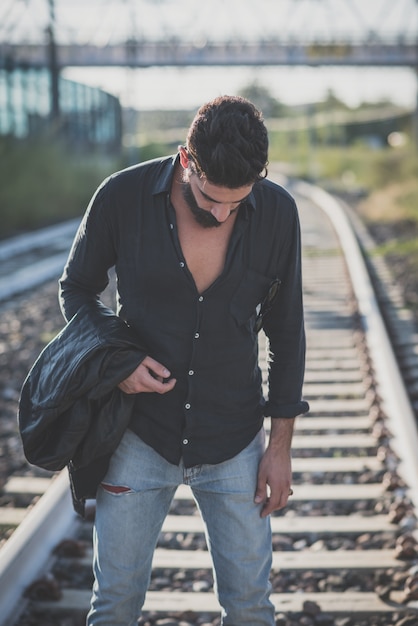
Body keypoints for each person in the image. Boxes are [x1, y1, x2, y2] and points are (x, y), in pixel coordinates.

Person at [59, 95, 309, 626]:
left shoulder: (279, 212)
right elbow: (77, 289)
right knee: (115, 604)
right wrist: (117, 361)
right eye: (208, 199)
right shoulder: (122, 197)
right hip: (138, 435)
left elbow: (286, 332)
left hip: (235, 439)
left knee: (250, 607)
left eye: (235, 204)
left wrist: (280, 447)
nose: (219, 215)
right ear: (184, 159)